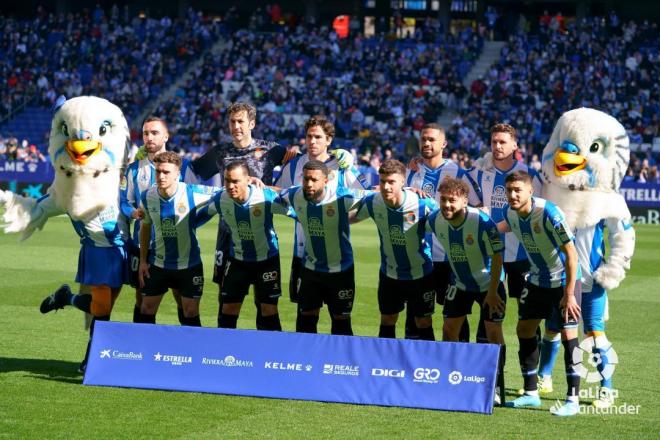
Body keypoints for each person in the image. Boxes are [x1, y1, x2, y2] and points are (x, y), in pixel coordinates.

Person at [498, 171, 581, 417]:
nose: (512, 195)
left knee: (569, 335)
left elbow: (572, 253)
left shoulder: (549, 213)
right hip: (536, 280)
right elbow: (502, 227)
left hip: (564, 282)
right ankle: (531, 393)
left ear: (530, 191)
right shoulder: (510, 213)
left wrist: (569, 294)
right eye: (509, 190)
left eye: (517, 191)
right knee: (524, 329)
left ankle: (573, 399)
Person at [426, 177, 506, 405]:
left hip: (488, 284)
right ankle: (452, 379)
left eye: (452, 200)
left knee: (493, 334)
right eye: (443, 200)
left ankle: (497, 386)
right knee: (449, 329)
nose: (447, 205)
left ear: (464, 200)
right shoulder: (435, 220)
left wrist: (492, 292)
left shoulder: (481, 221)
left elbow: (498, 257)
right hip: (460, 283)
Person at [274, 115, 368, 305]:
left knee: (340, 319)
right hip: (303, 251)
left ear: (329, 140)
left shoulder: (342, 165)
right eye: (309, 136)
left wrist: (347, 217)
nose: (312, 141)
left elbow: (367, 196)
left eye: (318, 137)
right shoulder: (293, 166)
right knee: (305, 315)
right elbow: (278, 194)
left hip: (338, 257)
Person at [39, 190, 129, 373]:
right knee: (101, 307)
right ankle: (68, 299)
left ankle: (91, 360)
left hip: (123, 251)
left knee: (104, 312)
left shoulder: (120, 187)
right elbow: (35, 207)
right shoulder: (71, 194)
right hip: (98, 252)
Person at [469, 124, 542, 344]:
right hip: (492, 258)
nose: (498, 146)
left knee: (528, 318)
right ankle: (493, 375)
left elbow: (538, 212)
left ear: (514, 145)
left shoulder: (529, 175)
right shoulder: (479, 172)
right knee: (490, 318)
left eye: (502, 142)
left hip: (523, 257)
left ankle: (532, 375)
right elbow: (457, 191)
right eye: (494, 142)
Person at [120, 116, 198, 324]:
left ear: (166, 135)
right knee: (142, 297)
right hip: (142, 242)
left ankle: (186, 345)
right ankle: (141, 346)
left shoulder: (182, 167)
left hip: (174, 243)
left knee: (181, 297)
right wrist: (133, 213)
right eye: (146, 133)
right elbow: (125, 202)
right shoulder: (134, 169)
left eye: (154, 133)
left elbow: (194, 202)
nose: (149, 137)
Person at [351, 159, 437, 340]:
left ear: (403, 182)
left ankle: (428, 365)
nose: (386, 187)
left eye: (391, 182)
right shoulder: (374, 202)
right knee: (388, 319)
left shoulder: (423, 204)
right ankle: (384, 364)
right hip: (390, 274)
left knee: (423, 322)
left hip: (421, 274)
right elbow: (349, 218)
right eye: (382, 181)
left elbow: (447, 222)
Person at [405, 123, 473, 341]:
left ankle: (459, 363)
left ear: (443, 143)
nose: (426, 143)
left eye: (432, 139)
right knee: (417, 317)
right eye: (423, 139)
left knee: (455, 317)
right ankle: (419, 367)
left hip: (450, 257)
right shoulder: (410, 172)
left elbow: (477, 208)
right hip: (418, 257)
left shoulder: (458, 173)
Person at [280, 160, 364, 335]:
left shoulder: (343, 197)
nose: (309, 184)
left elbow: (374, 196)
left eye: (314, 180)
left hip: (341, 271)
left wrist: (408, 190)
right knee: (306, 319)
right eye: (305, 179)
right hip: (311, 269)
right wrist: (255, 183)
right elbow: (277, 193)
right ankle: (307, 360)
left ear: (326, 180)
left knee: (341, 321)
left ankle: (341, 361)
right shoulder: (295, 195)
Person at [137, 152, 219, 326]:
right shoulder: (147, 197)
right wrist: (143, 261)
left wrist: (250, 182)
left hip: (189, 264)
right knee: (146, 309)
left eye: (166, 172)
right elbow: (145, 227)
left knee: (190, 312)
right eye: (158, 171)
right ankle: (146, 351)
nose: (161, 176)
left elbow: (224, 192)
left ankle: (193, 350)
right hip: (158, 264)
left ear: (178, 175)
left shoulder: (192, 192)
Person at [215, 161, 293, 331]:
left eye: (236, 181)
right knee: (228, 309)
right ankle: (221, 353)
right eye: (227, 180)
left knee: (268, 310)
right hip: (237, 260)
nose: (230, 185)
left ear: (248, 180)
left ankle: (274, 353)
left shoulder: (265, 197)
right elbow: (197, 213)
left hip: (267, 260)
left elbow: (295, 209)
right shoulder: (220, 198)